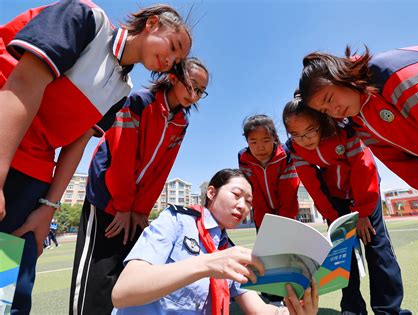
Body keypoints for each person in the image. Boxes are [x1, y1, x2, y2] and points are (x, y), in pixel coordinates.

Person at [0, 2, 192, 313]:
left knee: (9, 295)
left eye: (177, 59)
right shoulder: (86, 17)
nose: (170, 60)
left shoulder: (121, 89)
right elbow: (23, 83)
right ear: (152, 24)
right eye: (173, 46)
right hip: (3, 150)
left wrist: (48, 207)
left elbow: (76, 145)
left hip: (34, 172)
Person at [297, 44, 418, 247]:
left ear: (340, 74)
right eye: (325, 111)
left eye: (329, 98)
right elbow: (407, 167)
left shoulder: (394, 73)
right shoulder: (360, 123)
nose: (334, 111)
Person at [69, 57, 209, 315]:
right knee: (96, 276)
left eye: (201, 91)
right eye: (192, 85)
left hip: (133, 210)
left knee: (122, 277)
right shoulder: (138, 102)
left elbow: (160, 171)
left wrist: (141, 211)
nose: (195, 94)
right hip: (107, 197)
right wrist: (123, 206)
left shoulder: (181, 123)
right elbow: (121, 156)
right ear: (173, 78)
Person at [111, 168, 319, 315]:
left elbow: (259, 309)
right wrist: (207, 264)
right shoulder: (176, 220)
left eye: (249, 202)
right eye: (236, 195)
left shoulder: (228, 250)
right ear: (211, 192)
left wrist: (292, 311)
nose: (243, 206)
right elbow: (123, 292)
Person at [282, 97, 410, 315]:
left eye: (310, 131)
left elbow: (364, 168)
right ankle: (352, 309)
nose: (305, 139)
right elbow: (312, 184)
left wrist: (363, 213)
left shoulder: (345, 131)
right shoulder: (295, 148)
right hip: (336, 199)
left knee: (377, 249)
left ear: (322, 121)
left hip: (365, 195)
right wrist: (332, 217)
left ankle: (389, 309)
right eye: (296, 134)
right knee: (343, 255)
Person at [238, 114, 300, 232]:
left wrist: (285, 224)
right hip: (262, 217)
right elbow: (255, 195)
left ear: (274, 138)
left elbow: (288, 194)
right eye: (253, 142)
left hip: (288, 215)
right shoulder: (244, 159)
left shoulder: (285, 155)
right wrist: (264, 227)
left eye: (266, 140)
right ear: (247, 141)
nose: (260, 147)